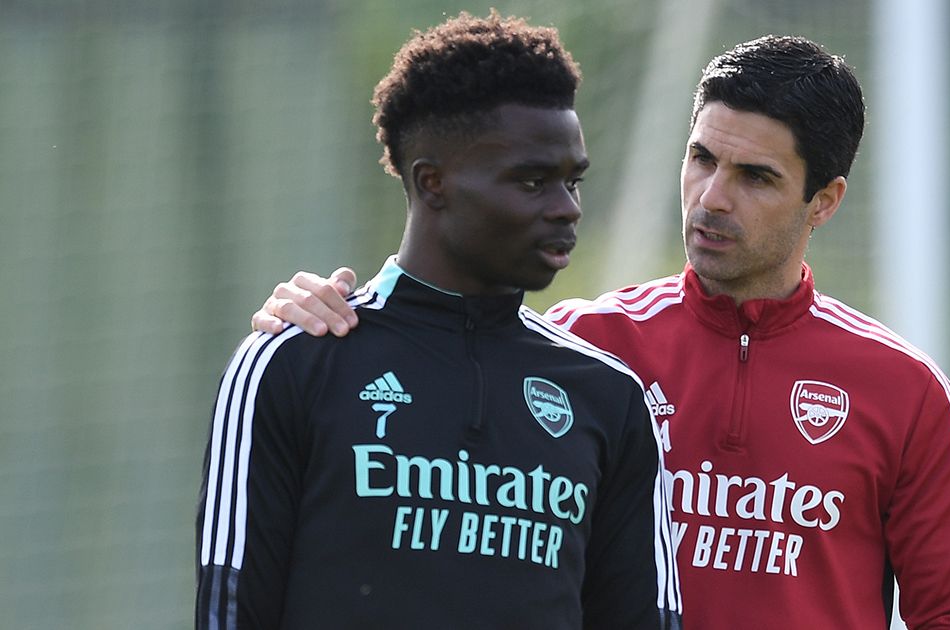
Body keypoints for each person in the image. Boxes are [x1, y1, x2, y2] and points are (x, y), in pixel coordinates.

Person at [255, 35, 950, 629]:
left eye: (756, 177)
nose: (712, 198)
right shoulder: (581, 351)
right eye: (702, 158)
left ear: (825, 201)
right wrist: (314, 320)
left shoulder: (904, 391)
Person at [197, 12, 682, 630]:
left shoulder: (609, 397)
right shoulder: (294, 360)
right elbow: (231, 606)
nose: (566, 209)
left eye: (572, 181)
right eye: (532, 181)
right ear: (434, 183)